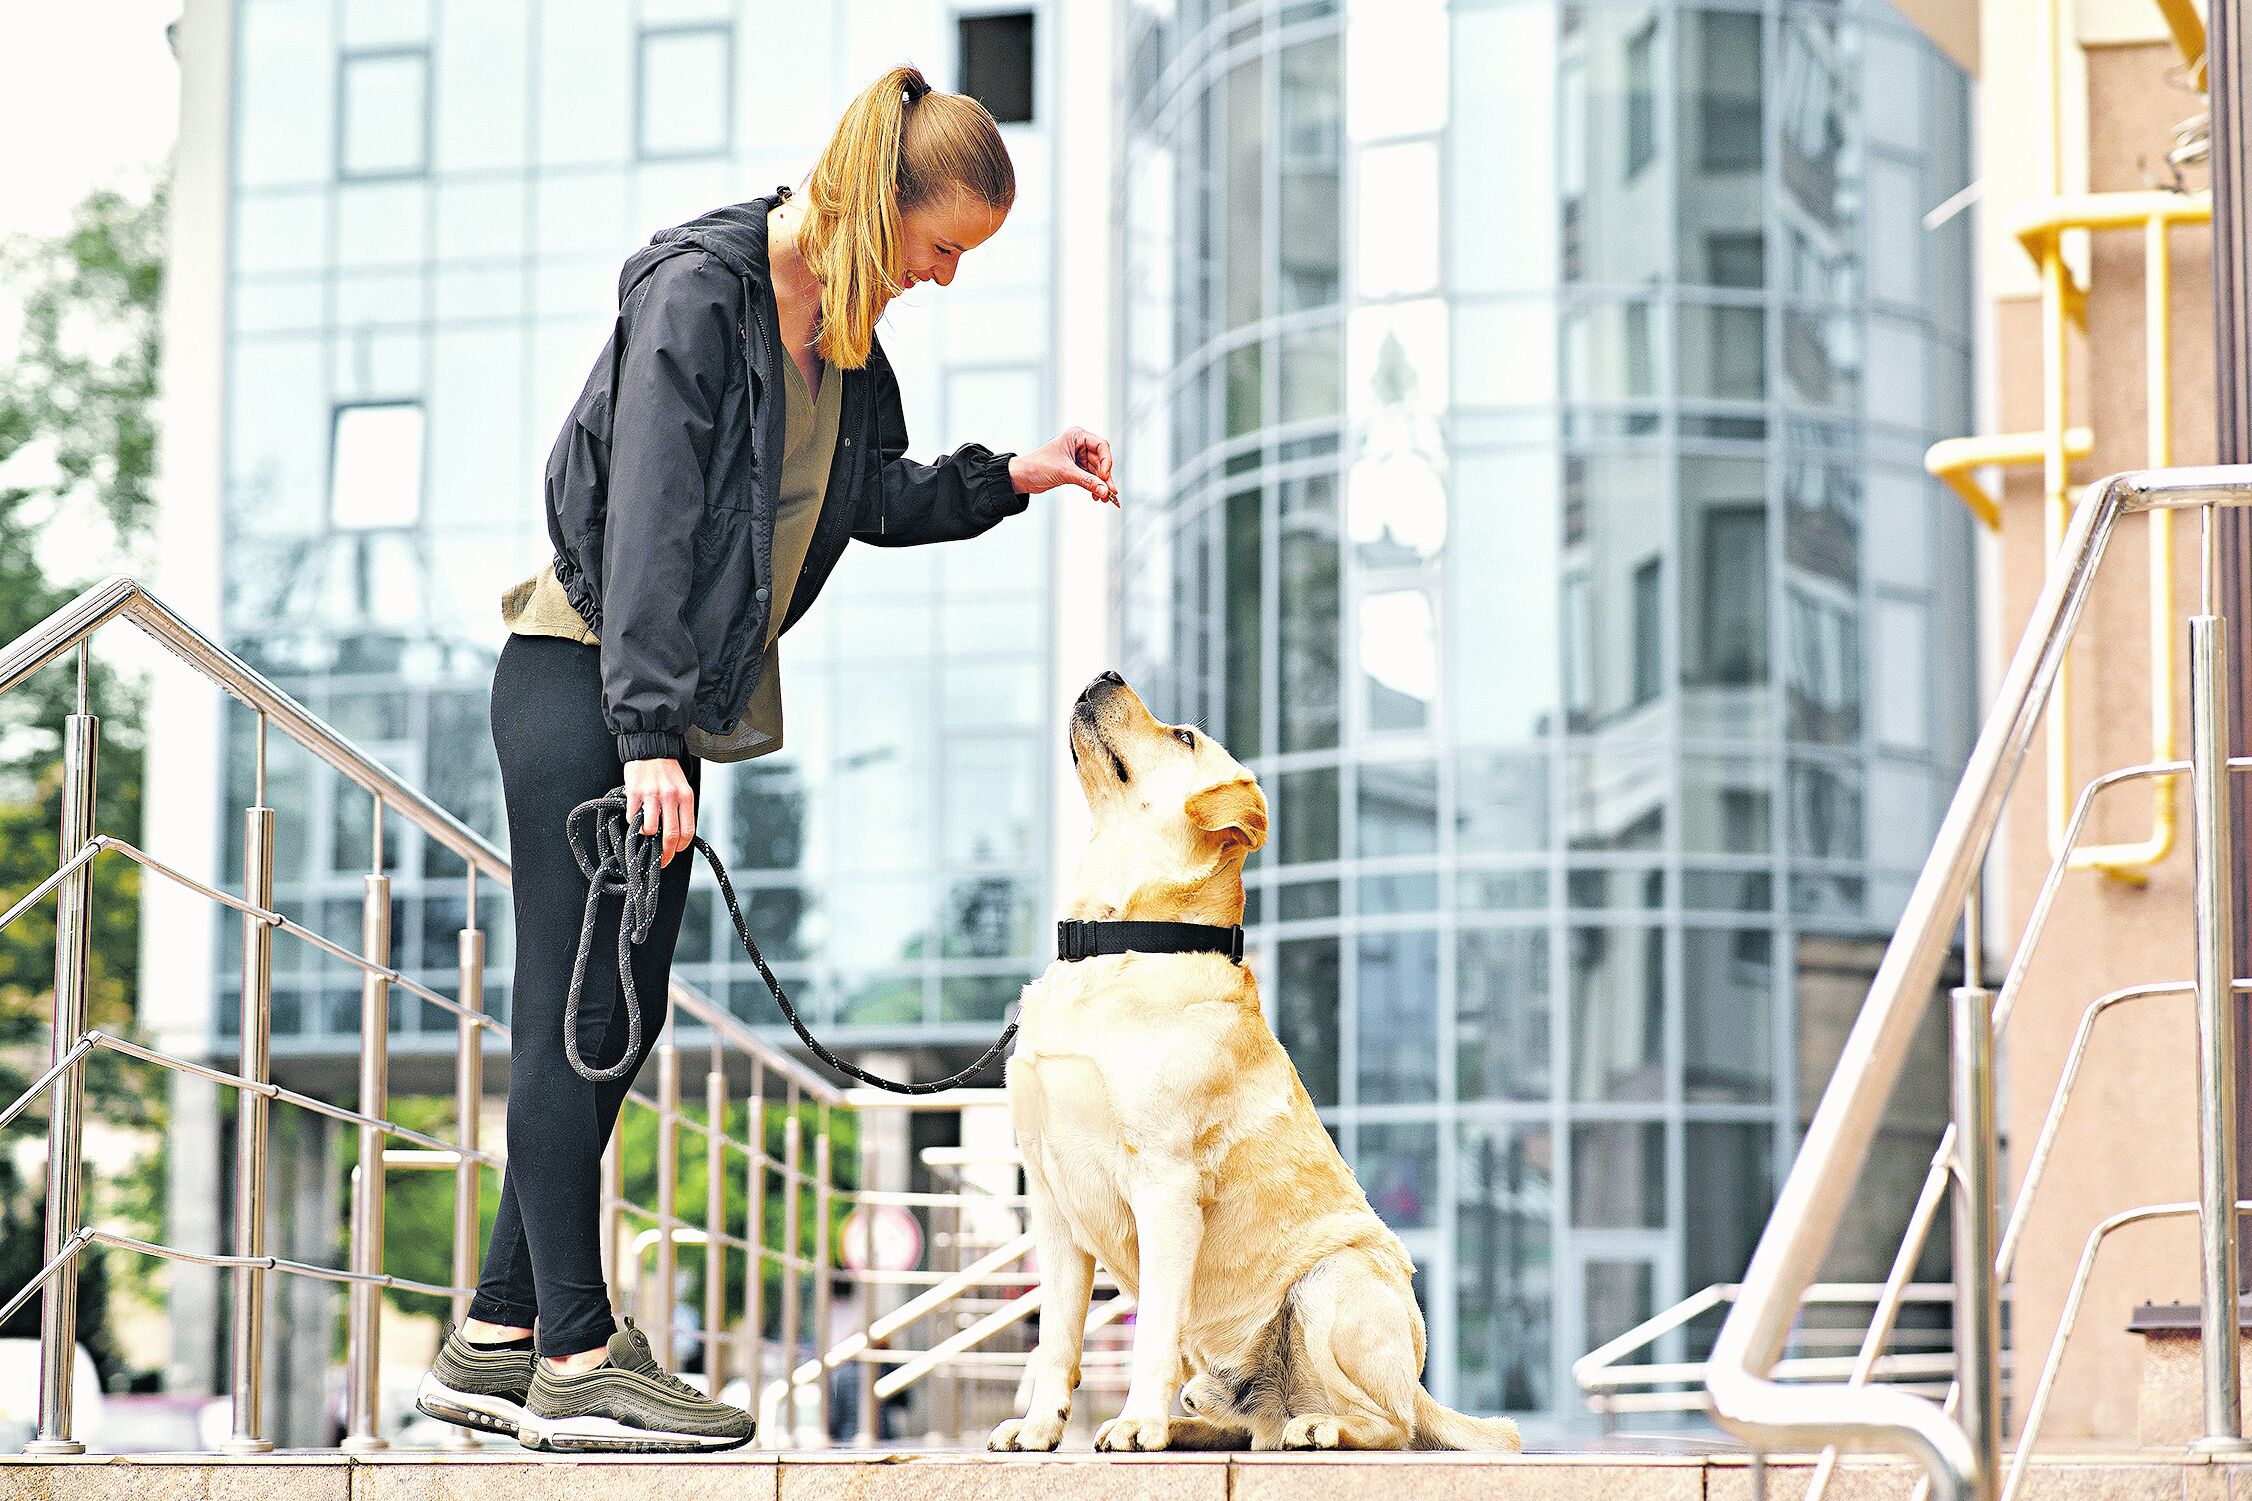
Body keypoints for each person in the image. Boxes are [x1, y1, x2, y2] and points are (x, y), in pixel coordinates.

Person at [413, 63, 1115, 1454]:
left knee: (624, 1010)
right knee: (581, 1010)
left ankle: (490, 1336)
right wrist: (652, 733)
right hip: (582, 684)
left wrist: (1014, 474)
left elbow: (865, 497)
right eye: (941, 248)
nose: (946, 277)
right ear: (882, 203)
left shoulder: (839, 340)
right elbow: (650, 529)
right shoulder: (703, 295)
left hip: (643, 710)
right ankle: (572, 1351)